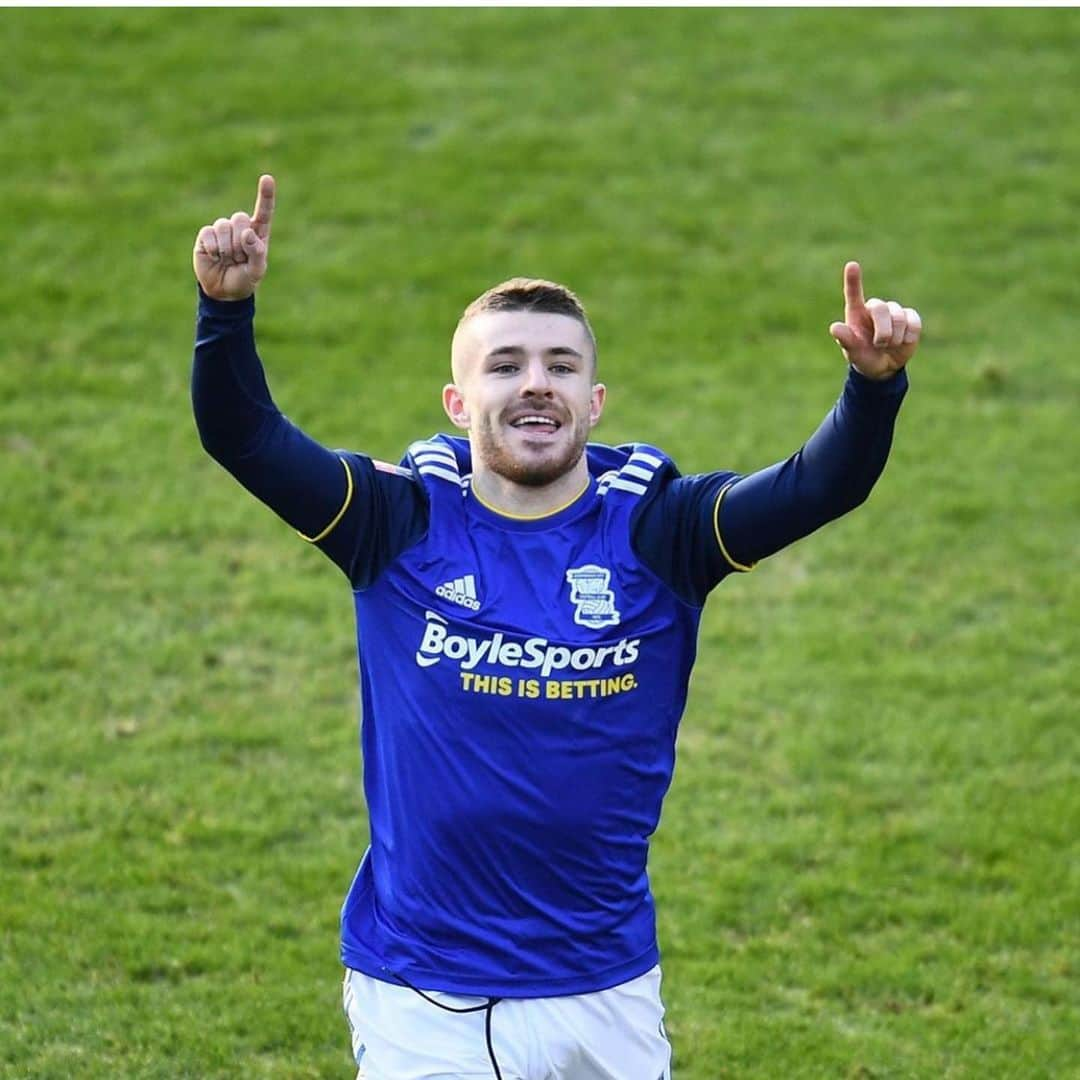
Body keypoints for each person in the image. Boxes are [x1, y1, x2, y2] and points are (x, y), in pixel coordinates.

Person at [191, 175, 922, 1080]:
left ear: (595, 399)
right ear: (458, 406)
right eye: (505, 366)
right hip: (423, 992)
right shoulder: (394, 520)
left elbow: (820, 484)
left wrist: (872, 385)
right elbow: (246, 438)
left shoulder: (662, 530)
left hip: (601, 986)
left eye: (560, 366)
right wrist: (225, 312)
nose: (535, 385)